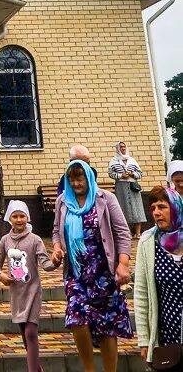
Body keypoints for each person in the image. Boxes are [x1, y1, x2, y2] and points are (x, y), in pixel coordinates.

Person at [52, 159, 133, 372]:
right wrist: (57, 247)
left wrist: (123, 264)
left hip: (103, 271)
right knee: (76, 317)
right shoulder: (62, 201)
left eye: (79, 179)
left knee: (107, 325)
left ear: (88, 177)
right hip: (76, 272)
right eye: (72, 179)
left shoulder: (106, 199)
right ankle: (89, 369)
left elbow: (122, 233)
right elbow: (55, 231)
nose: (76, 184)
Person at [0, 200, 61, 372]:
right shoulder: (5, 240)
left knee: (31, 332)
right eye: (15, 216)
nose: (19, 220)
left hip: (32, 291)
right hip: (16, 293)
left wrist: (56, 261)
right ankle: (37, 368)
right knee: (24, 333)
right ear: (9, 219)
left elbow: (45, 264)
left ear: (27, 218)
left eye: (22, 216)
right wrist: (0, 275)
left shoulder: (35, 240)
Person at [134, 185, 183, 363]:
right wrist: (144, 340)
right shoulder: (148, 241)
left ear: (176, 208)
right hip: (167, 334)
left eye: (162, 207)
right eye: (153, 208)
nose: (156, 212)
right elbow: (141, 294)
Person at [108, 139, 146, 238]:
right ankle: (128, 233)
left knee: (137, 208)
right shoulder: (114, 160)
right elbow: (111, 174)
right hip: (121, 187)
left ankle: (138, 233)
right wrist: (121, 175)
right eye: (121, 147)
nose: (123, 148)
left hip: (133, 186)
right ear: (117, 149)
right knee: (124, 208)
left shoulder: (132, 160)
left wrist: (132, 174)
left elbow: (140, 173)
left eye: (124, 147)